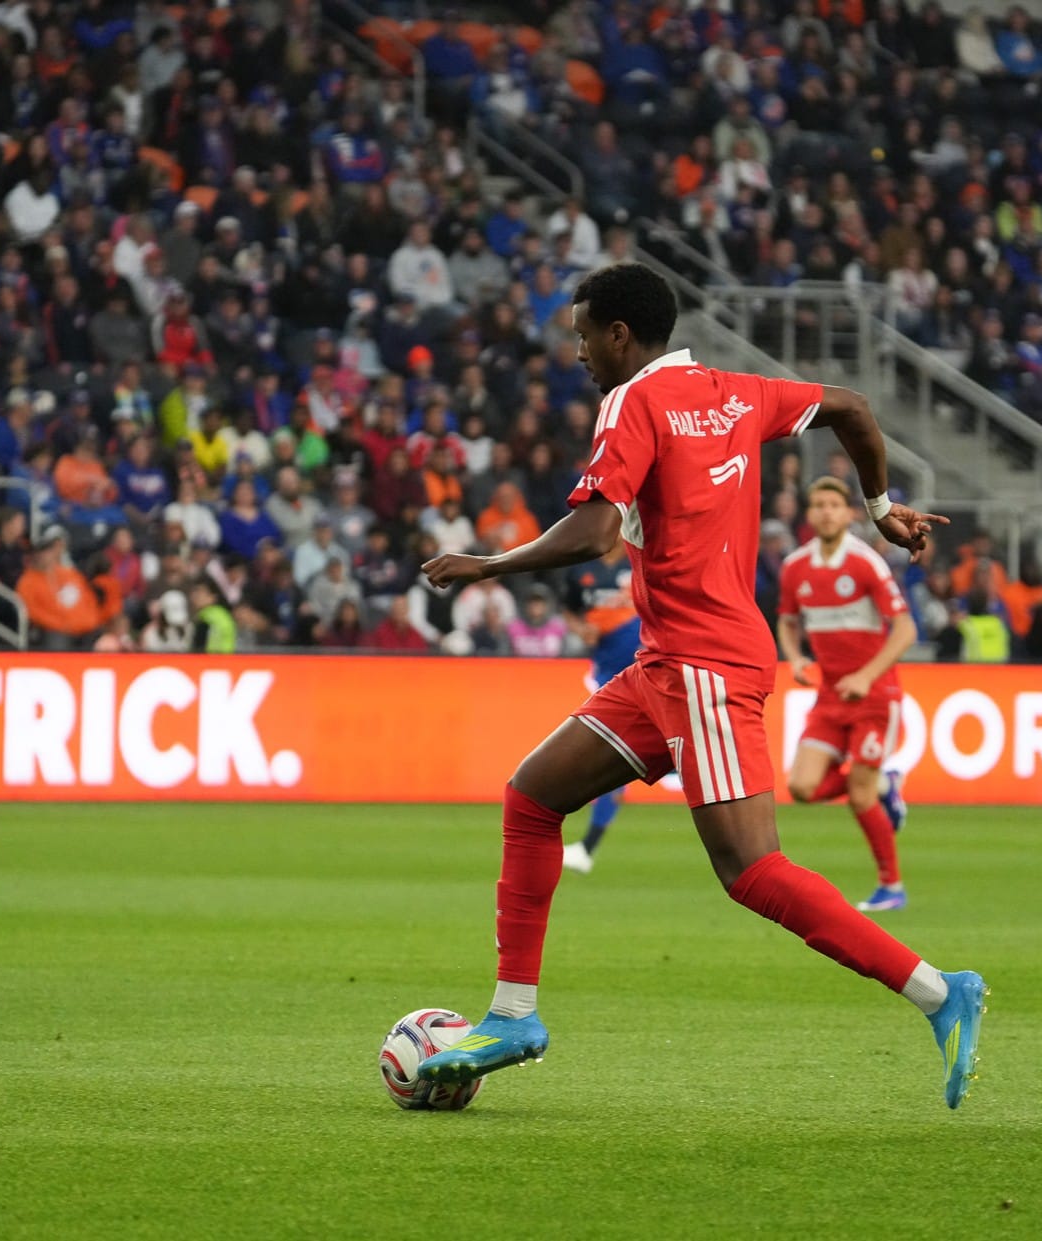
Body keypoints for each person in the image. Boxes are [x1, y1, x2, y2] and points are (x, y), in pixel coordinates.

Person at [418, 263, 986, 1107]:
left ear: (619, 335)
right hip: (664, 664)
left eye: (581, 336)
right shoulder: (732, 389)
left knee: (752, 870)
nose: (576, 354)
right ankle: (513, 1014)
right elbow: (852, 408)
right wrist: (878, 507)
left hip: (704, 667)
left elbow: (596, 533)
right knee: (533, 797)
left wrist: (487, 564)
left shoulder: (633, 403)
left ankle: (942, 990)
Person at [777, 477, 916, 912]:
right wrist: (795, 658)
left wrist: (866, 676)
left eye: (834, 504)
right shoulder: (795, 567)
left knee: (859, 796)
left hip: (875, 695)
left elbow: (906, 628)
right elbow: (786, 620)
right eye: (817, 504)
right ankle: (884, 784)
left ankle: (891, 886)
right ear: (809, 514)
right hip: (830, 697)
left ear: (849, 513)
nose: (825, 512)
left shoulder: (865, 562)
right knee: (801, 787)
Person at [560, 536, 642, 874]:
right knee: (614, 754)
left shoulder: (639, 566)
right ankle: (587, 848)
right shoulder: (583, 569)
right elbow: (569, 609)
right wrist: (580, 629)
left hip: (643, 666)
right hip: (608, 671)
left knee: (611, 753)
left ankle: (587, 848)